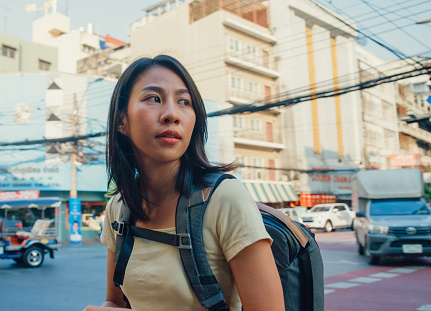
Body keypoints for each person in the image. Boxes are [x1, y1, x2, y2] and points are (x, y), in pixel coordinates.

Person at [83, 55, 283, 311]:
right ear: (122, 121)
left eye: (184, 102)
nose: (171, 114)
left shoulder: (225, 198)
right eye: (154, 98)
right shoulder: (118, 209)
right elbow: (116, 301)